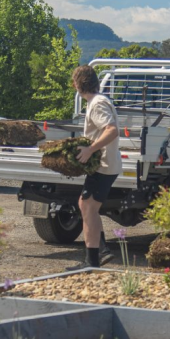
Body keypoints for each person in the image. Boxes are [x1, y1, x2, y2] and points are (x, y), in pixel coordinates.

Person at [68, 64, 122, 270]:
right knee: (84, 204)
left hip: (103, 165)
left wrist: (90, 149)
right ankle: (101, 250)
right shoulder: (98, 101)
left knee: (89, 208)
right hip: (105, 165)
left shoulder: (97, 104)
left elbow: (111, 130)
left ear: (77, 84)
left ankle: (91, 262)